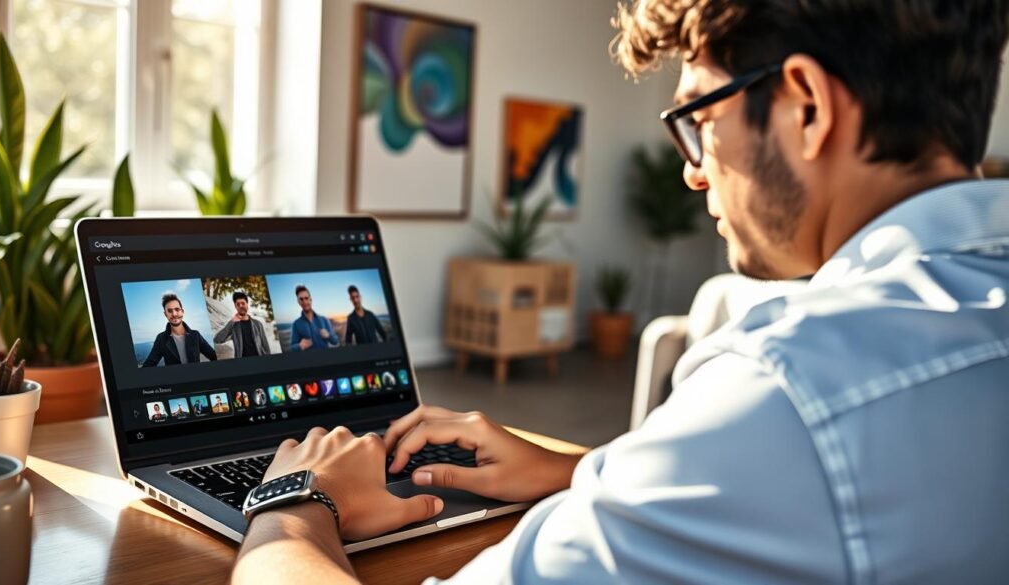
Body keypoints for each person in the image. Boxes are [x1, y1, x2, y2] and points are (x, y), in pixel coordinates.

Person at [232, 2, 1009, 584]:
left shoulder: (788, 390)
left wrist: (294, 502)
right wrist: (594, 471)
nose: (692, 169)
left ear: (806, 105)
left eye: (698, 118)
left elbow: (799, 449)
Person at [142, 293, 217, 367]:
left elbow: (214, 356)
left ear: (182, 311)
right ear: (165, 314)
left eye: (177, 309)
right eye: (170, 311)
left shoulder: (196, 335)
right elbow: (149, 364)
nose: (174, 314)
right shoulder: (161, 339)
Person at [214, 291, 273, 358]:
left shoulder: (258, 324)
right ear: (235, 307)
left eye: (243, 303)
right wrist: (232, 322)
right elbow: (217, 340)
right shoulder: (234, 327)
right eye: (238, 304)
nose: (241, 306)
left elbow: (266, 347)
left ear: (247, 304)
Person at [290, 285, 340, 351]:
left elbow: (335, 341)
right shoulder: (296, 324)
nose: (304, 302)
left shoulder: (324, 320)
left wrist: (328, 336)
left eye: (306, 298)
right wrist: (299, 346)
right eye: (301, 299)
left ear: (310, 300)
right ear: (298, 302)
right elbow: (292, 348)